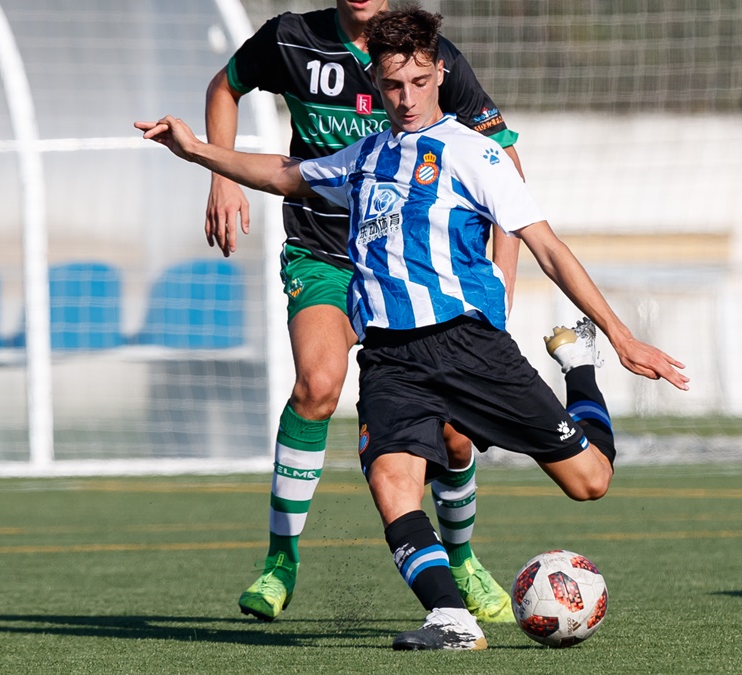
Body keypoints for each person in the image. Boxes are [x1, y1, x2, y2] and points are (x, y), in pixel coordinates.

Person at [137, 5, 688, 650]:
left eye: (418, 83)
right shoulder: (362, 156)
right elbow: (283, 175)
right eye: (393, 86)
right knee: (391, 481)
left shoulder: (474, 153)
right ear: (377, 83)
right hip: (391, 359)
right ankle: (450, 618)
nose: (406, 99)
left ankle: (580, 365)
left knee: (590, 481)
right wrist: (198, 152)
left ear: (438, 74)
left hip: (467, 346)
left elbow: (548, 247)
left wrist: (621, 339)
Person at [204, 0, 523, 624]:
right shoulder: (292, 37)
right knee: (318, 385)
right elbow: (224, 86)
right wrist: (222, 175)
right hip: (322, 250)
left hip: (411, 269)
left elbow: (503, 157)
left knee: (455, 432)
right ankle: (280, 560)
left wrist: (500, 278)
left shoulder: (430, 59)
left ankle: (460, 558)